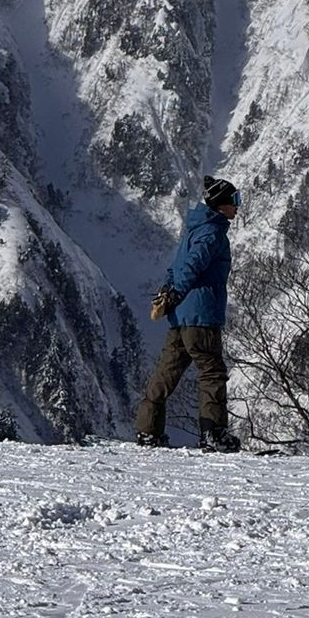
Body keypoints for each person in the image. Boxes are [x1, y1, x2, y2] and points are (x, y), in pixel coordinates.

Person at [136, 176, 242, 452]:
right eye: (234, 201)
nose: (237, 207)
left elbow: (176, 267)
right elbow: (192, 267)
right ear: (221, 205)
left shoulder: (194, 230)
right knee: (211, 371)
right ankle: (213, 433)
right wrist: (176, 292)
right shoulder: (212, 233)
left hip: (180, 316)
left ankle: (148, 431)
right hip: (202, 314)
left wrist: (168, 294)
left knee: (167, 371)